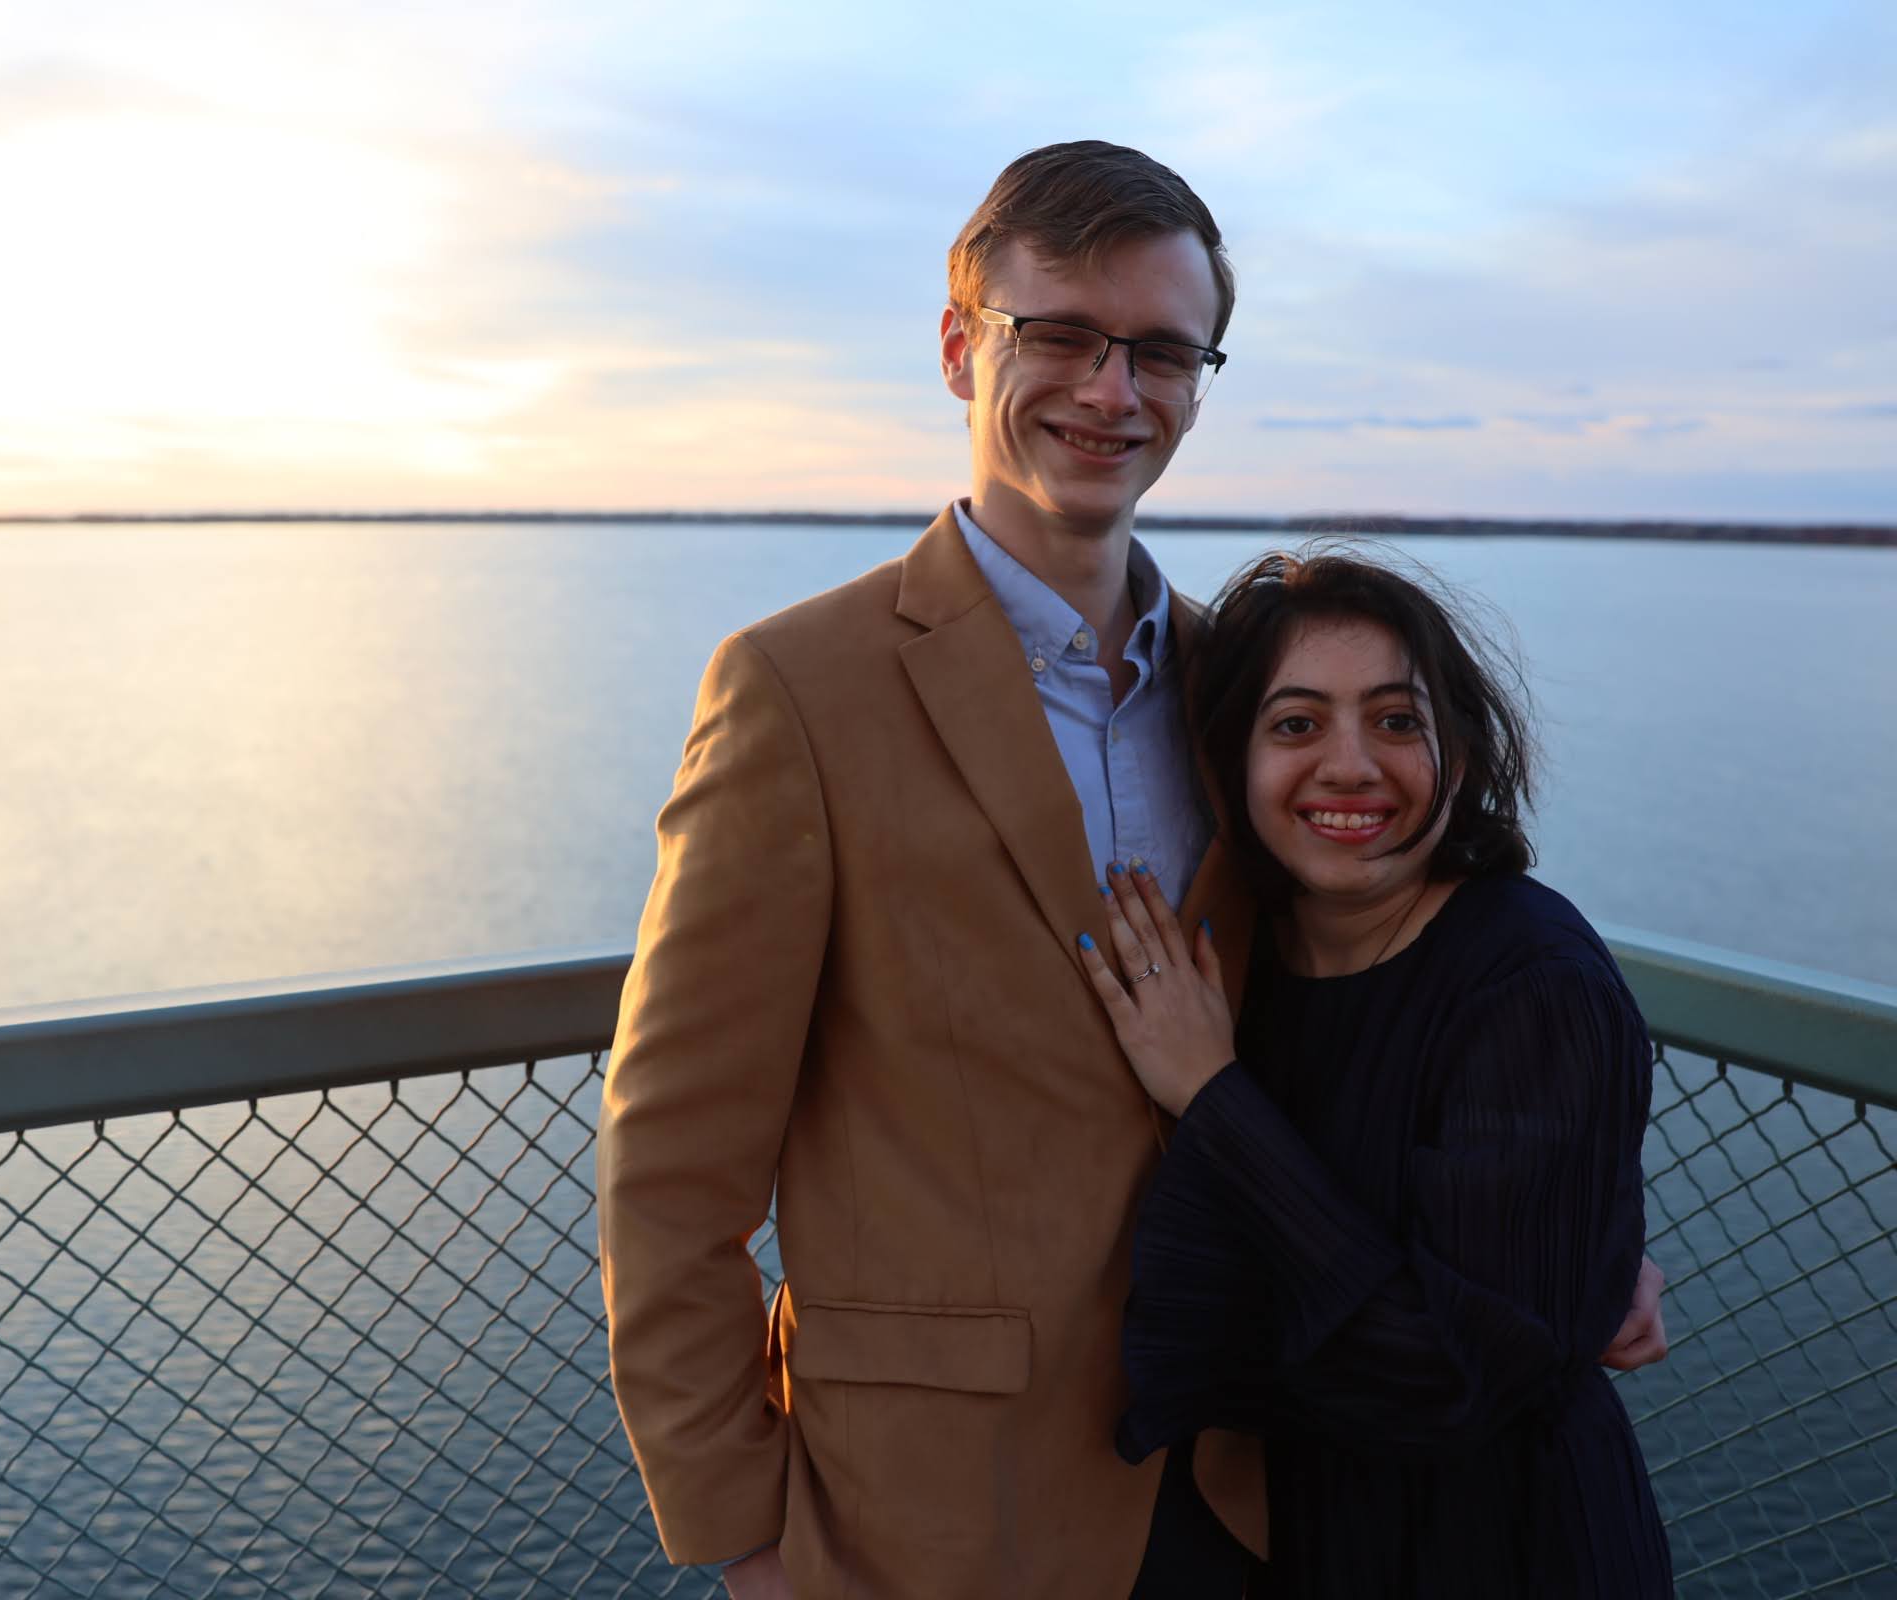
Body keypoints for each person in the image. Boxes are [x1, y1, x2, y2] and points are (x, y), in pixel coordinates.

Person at [597, 142, 1666, 1600]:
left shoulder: (1246, 698)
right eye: (1064, 336)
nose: (1113, 391)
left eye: (1162, 351)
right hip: (937, 1515)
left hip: (1254, 1475)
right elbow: (673, 1174)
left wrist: (1574, 1257)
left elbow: (1359, 998)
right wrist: (742, 1538)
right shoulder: (796, 691)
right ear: (963, 348)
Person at [1080, 549, 1674, 1597]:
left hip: (1504, 1549)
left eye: (1398, 722)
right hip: (1292, 1533)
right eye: (1297, 724)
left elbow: (1449, 1379)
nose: (1351, 766)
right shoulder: (1253, 967)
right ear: (1232, 762)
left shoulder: (1533, 984)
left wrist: (1215, 1099)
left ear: (1464, 750)